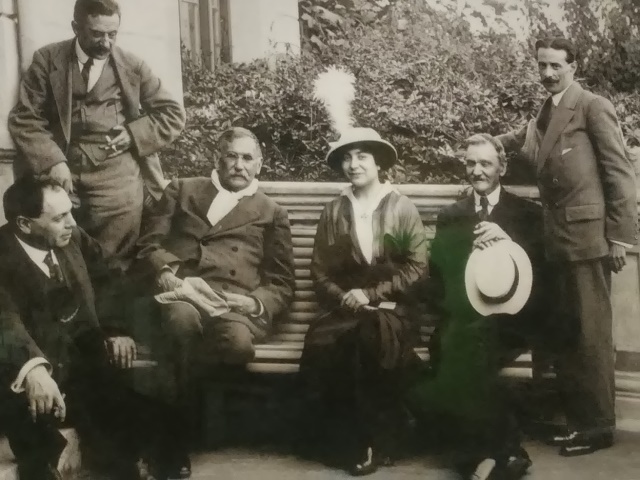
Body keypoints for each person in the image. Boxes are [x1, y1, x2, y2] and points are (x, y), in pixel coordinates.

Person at [497, 37, 638, 456]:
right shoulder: (547, 110)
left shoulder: (592, 106)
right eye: (542, 65)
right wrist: (484, 146)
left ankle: (597, 427)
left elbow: (620, 174)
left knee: (590, 336)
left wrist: (619, 237)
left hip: (588, 239)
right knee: (568, 334)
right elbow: (517, 142)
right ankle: (578, 422)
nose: (547, 73)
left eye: (556, 65)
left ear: (574, 67)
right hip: (557, 240)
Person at [0, 176, 187, 480]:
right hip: (20, 377)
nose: (71, 223)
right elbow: (4, 320)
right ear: (24, 224)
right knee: (45, 462)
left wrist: (115, 329)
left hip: (80, 367)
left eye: (70, 212)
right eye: (59, 218)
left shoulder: (72, 237)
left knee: (157, 436)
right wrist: (32, 368)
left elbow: (108, 278)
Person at [135, 127, 295, 460]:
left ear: (259, 165)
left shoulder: (271, 211)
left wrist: (254, 302)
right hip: (182, 291)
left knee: (237, 345)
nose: (239, 165)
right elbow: (148, 245)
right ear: (216, 159)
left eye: (247, 158)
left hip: (231, 304)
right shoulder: (181, 190)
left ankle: (193, 417)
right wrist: (167, 275)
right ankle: (176, 441)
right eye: (231, 156)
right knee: (181, 322)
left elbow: (281, 281)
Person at [407, 134, 546, 480]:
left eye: (485, 163)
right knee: (462, 347)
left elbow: (542, 277)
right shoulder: (452, 216)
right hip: (461, 317)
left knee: (469, 351)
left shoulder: (526, 214)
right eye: (471, 163)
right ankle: (503, 453)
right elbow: (437, 280)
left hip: (510, 320)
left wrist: (509, 242)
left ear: (502, 167)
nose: (477, 171)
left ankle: (479, 456)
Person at [8, 0, 185, 269]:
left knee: (113, 257)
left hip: (114, 175)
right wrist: (52, 161)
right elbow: (25, 117)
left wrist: (133, 134)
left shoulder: (132, 66)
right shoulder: (48, 60)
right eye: (97, 34)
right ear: (76, 27)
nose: (106, 43)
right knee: (57, 242)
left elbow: (172, 113)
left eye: (112, 34)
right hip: (62, 170)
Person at [298, 127, 427, 476]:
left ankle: (372, 439)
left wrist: (370, 295)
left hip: (393, 310)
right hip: (346, 311)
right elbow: (319, 272)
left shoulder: (401, 207)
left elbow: (417, 269)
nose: (353, 164)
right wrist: (346, 298)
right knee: (330, 340)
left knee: (370, 334)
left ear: (379, 162)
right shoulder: (334, 211)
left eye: (362, 156)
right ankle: (345, 439)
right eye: (347, 158)